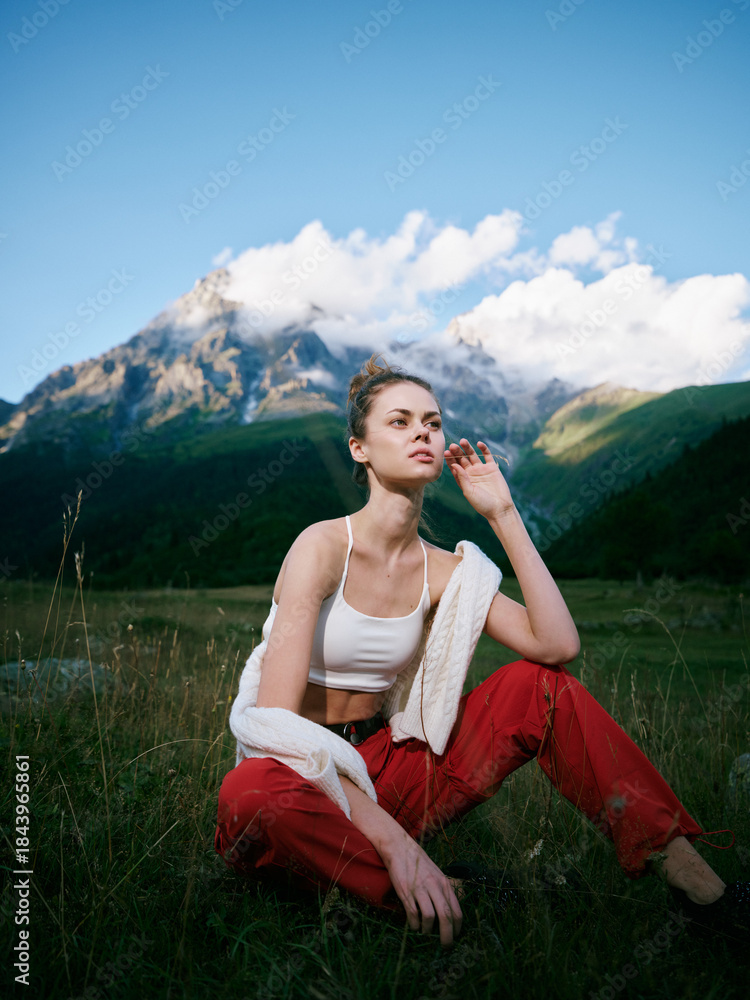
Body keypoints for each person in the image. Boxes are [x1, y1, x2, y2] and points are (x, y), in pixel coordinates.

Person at [215, 354, 745, 948]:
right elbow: (277, 730)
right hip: (302, 783)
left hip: (387, 769)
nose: (422, 431)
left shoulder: (446, 571)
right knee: (247, 794)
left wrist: (503, 513)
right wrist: (395, 840)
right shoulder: (320, 546)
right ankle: (438, 889)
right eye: (399, 421)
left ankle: (696, 883)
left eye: (432, 421)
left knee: (538, 687)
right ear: (359, 448)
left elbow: (556, 645)